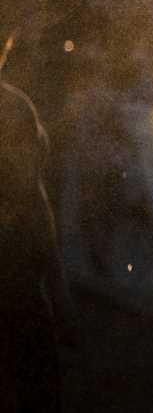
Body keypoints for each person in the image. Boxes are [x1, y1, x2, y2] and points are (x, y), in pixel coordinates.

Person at [0, 75, 77, 412]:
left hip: (20, 288)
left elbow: (34, 197)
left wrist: (60, 298)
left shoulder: (15, 108)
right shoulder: (16, 106)